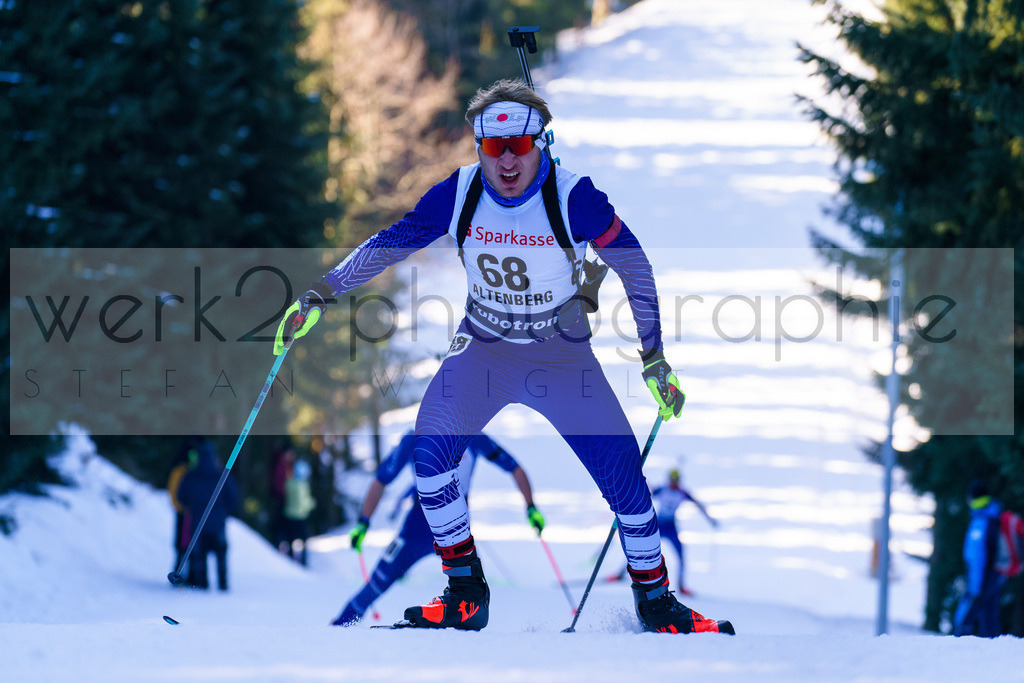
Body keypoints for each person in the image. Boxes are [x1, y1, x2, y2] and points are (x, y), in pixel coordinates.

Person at [275, 79, 732, 634]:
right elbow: (392, 242)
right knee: (431, 456)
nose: (508, 160)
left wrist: (654, 358)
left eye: (520, 145)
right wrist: (322, 291)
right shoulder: (460, 192)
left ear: (540, 141)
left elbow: (635, 266)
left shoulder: (574, 197)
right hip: (485, 353)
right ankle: (466, 591)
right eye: (495, 147)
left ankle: (656, 601)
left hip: (561, 358)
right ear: (478, 147)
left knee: (627, 485)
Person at [331, 430, 543, 626]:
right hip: (418, 531)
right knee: (374, 587)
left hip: (455, 533)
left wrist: (531, 507)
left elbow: (514, 467)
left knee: (474, 597)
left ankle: (470, 643)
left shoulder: (473, 436)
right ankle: (338, 630)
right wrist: (363, 522)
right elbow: (381, 479)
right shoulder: (414, 439)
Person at [608, 468, 718, 595]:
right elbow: (646, 492)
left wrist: (710, 520)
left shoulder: (682, 493)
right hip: (658, 526)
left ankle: (682, 586)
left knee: (681, 555)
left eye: (676, 481)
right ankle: (621, 574)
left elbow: (698, 505)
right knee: (640, 550)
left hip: (671, 527)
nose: (674, 483)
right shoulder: (663, 490)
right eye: (672, 480)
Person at [177, 438, 239, 591]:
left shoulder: (191, 475)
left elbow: (180, 496)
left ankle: (202, 584)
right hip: (218, 524)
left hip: (198, 523)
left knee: (200, 557)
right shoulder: (221, 474)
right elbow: (232, 496)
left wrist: (190, 506)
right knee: (221, 555)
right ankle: (223, 584)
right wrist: (224, 512)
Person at [953, 480, 1006, 637]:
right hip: (995, 577)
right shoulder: (994, 515)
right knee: (989, 620)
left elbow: (977, 557)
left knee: (963, 621)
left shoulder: (981, 521)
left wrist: (974, 587)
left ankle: (958, 655)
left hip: (981, 580)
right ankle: (992, 657)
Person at [167, 438, 200, 576]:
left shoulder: (183, 465)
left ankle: (190, 574)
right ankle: (182, 573)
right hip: (185, 510)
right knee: (183, 543)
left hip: (188, 510)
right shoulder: (182, 467)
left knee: (187, 542)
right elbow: (174, 489)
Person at [282, 459, 317, 566]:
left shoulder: (289, 483)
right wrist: (312, 504)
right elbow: (304, 502)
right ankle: (302, 561)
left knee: (290, 539)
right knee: (303, 540)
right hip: (300, 516)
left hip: (289, 515)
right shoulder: (303, 486)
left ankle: (290, 559)